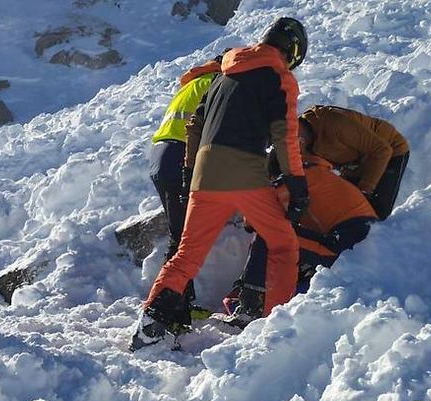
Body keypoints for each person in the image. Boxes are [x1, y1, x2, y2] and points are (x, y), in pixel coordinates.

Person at [130, 17, 309, 351]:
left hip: (204, 173)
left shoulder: (224, 74)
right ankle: (275, 327)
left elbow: (195, 124)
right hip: (243, 169)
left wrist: (189, 171)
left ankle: (152, 325)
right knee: (283, 243)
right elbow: (286, 133)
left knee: (187, 254)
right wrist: (295, 182)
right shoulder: (279, 76)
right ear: (293, 51)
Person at [225, 153, 379, 326]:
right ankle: (262, 297)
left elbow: (253, 221)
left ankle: (250, 308)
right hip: (357, 243)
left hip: (343, 247)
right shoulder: (316, 174)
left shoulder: (294, 182)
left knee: (268, 236)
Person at [149, 55, 223, 306]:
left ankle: (181, 303)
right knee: (182, 240)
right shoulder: (218, 81)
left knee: (178, 234)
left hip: (161, 155)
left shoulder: (194, 82)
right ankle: (165, 306)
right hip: (181, 154)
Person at [299, 105, 410, 219]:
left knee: (375, 211)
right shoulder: (304, 143)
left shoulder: (336, 123)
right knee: (347, 208)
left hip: (389, 151)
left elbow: (382, 150)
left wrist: (365, 190)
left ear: (300, 139)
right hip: (355, 163)